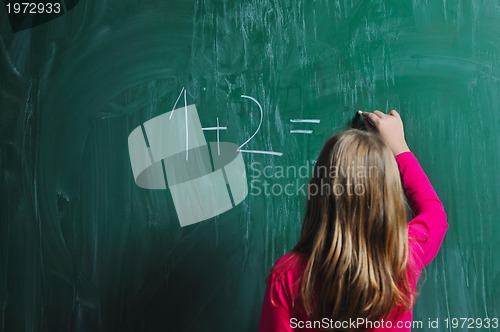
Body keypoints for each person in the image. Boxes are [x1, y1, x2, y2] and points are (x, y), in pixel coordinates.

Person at [258, 110, 448, 331]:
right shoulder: (402, 258)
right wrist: (399, 148)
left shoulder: (288, 277)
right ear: (390, 198)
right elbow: (434, 214)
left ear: (315, 192)